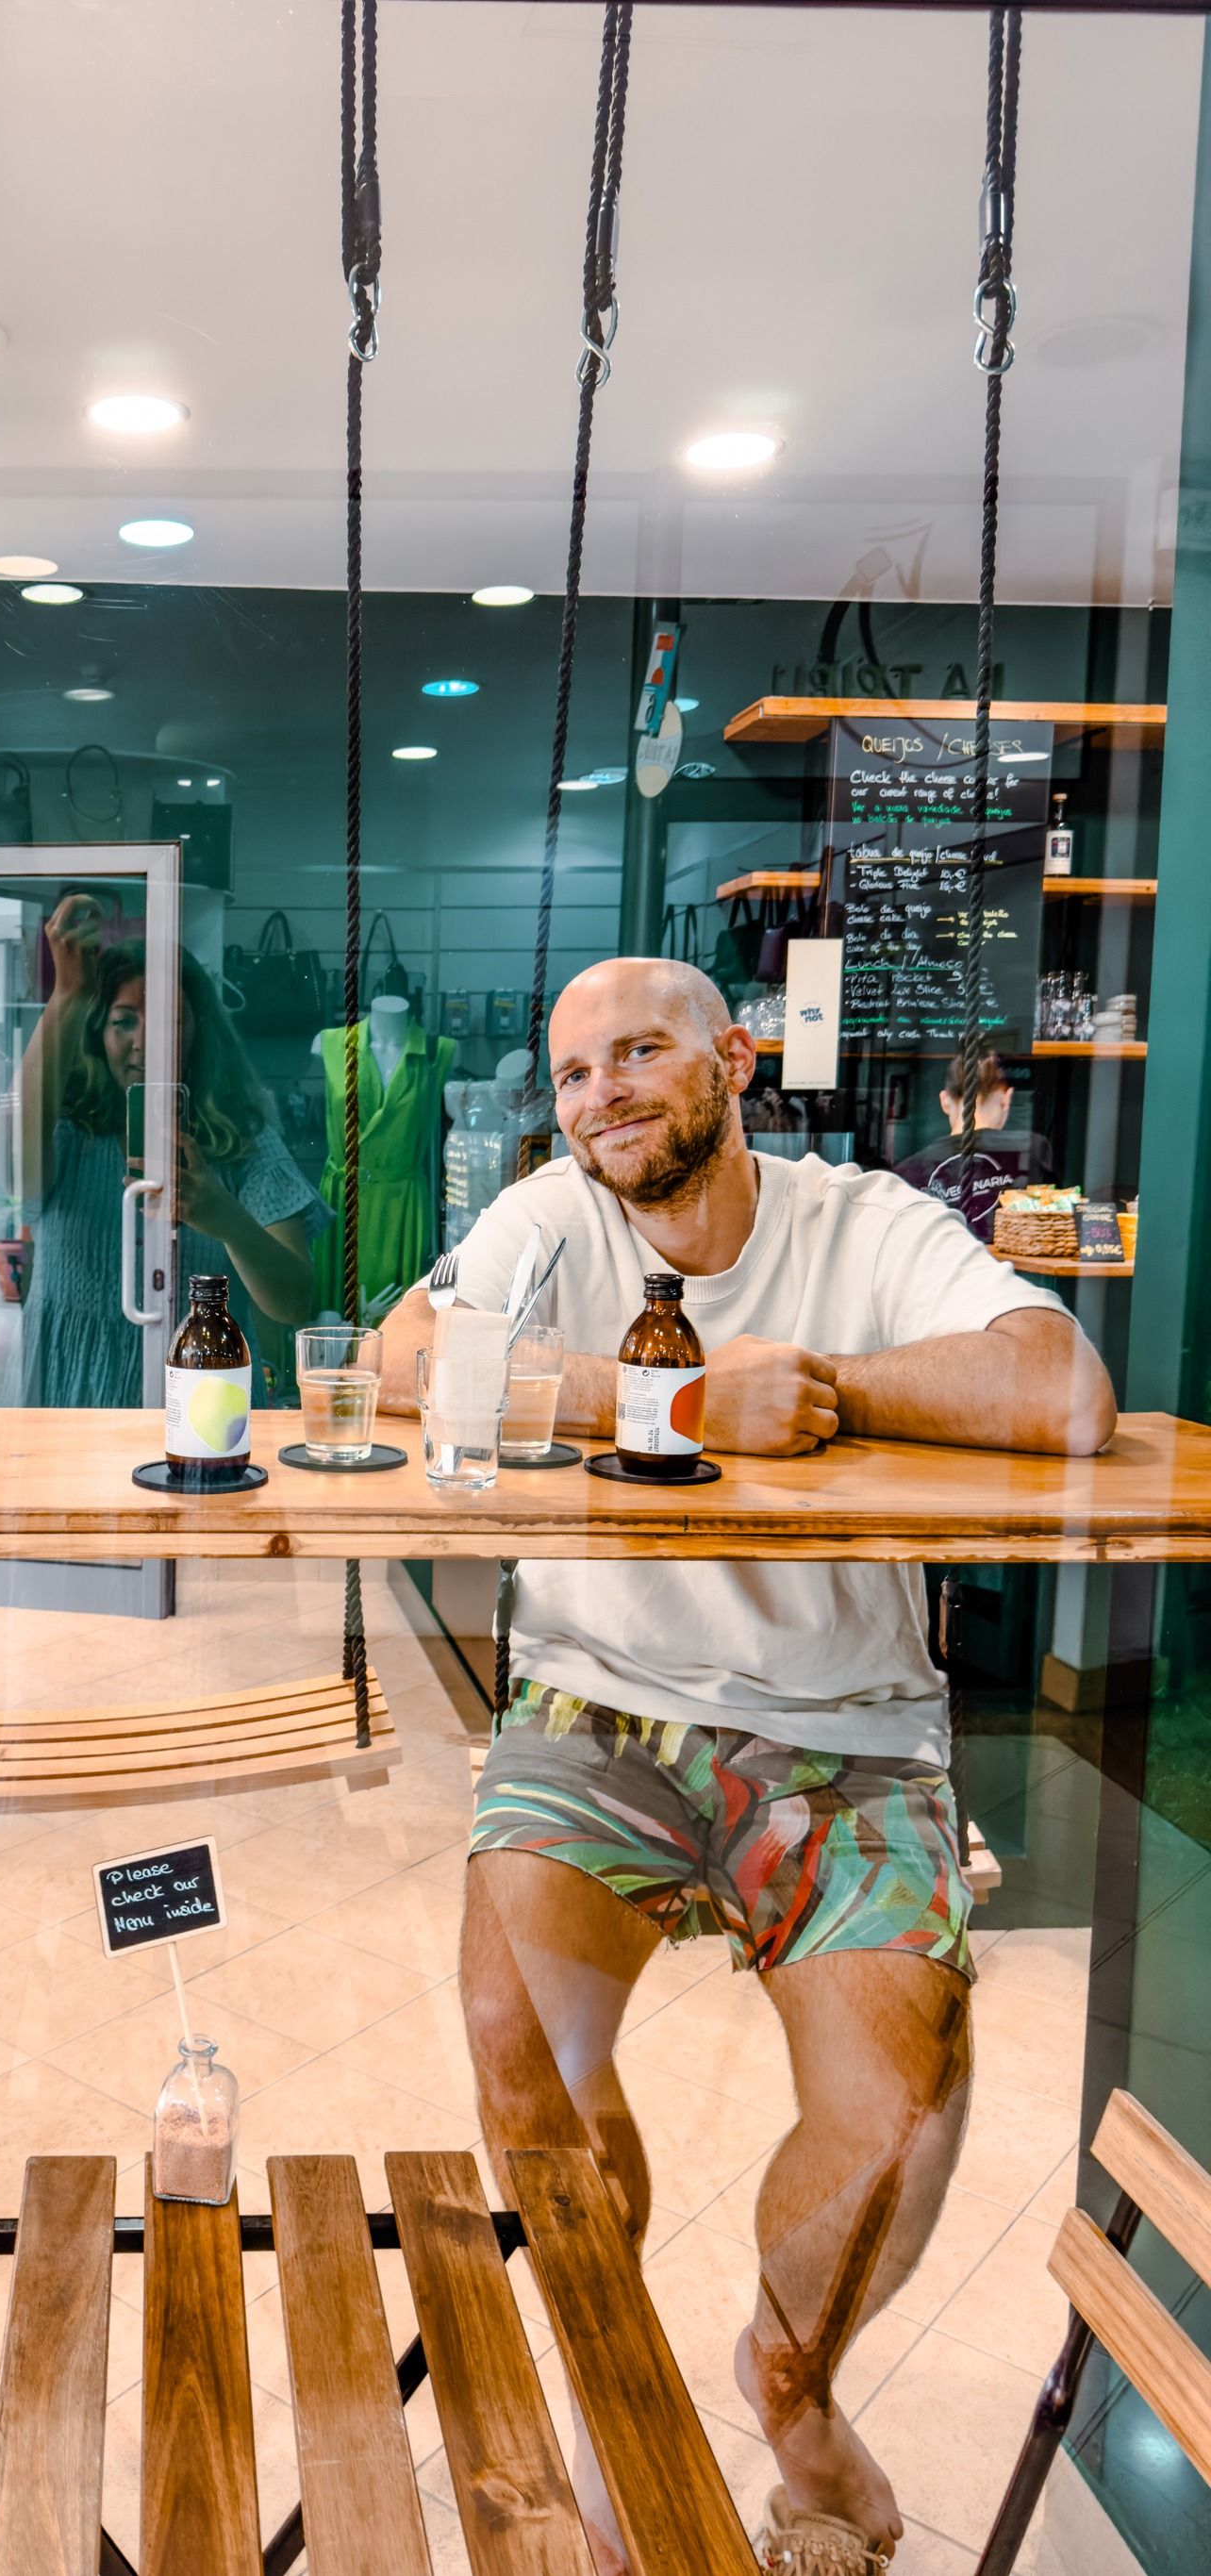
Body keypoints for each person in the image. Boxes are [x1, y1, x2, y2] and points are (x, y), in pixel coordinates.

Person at [378, 957, 1115, 2576]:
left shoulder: (862, 1222)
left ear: (732, 1058)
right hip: (593, 1704)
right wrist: (684, 1398)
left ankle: (787, 2377)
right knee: (516, 2038)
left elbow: (1062, 1389)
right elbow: (397, 1357)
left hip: (844, 1723)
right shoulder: (550, 1219)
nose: (601, 1097)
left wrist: (833, 1389)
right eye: (573, 1073)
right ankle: (611, 2380)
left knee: (898, 2107)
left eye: (638, 1053)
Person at [17, 893, 323, 1406]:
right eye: (123, 1020)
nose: (143, 1041)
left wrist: (225, 1218)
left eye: (168, 1020)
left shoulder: (239, 1137)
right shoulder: (68, 1127)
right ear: (97, 1031)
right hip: (72, 1390)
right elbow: (12, 1171)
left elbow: (295, 1301)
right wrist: (67, 994)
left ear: (199, 1030)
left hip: (201, 1395)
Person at [893, 1051, 1054, 1239]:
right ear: (1006, 1099)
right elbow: (1053, 1224)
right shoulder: (1033, 1151)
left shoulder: (907, 1172)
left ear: (945, 1101)